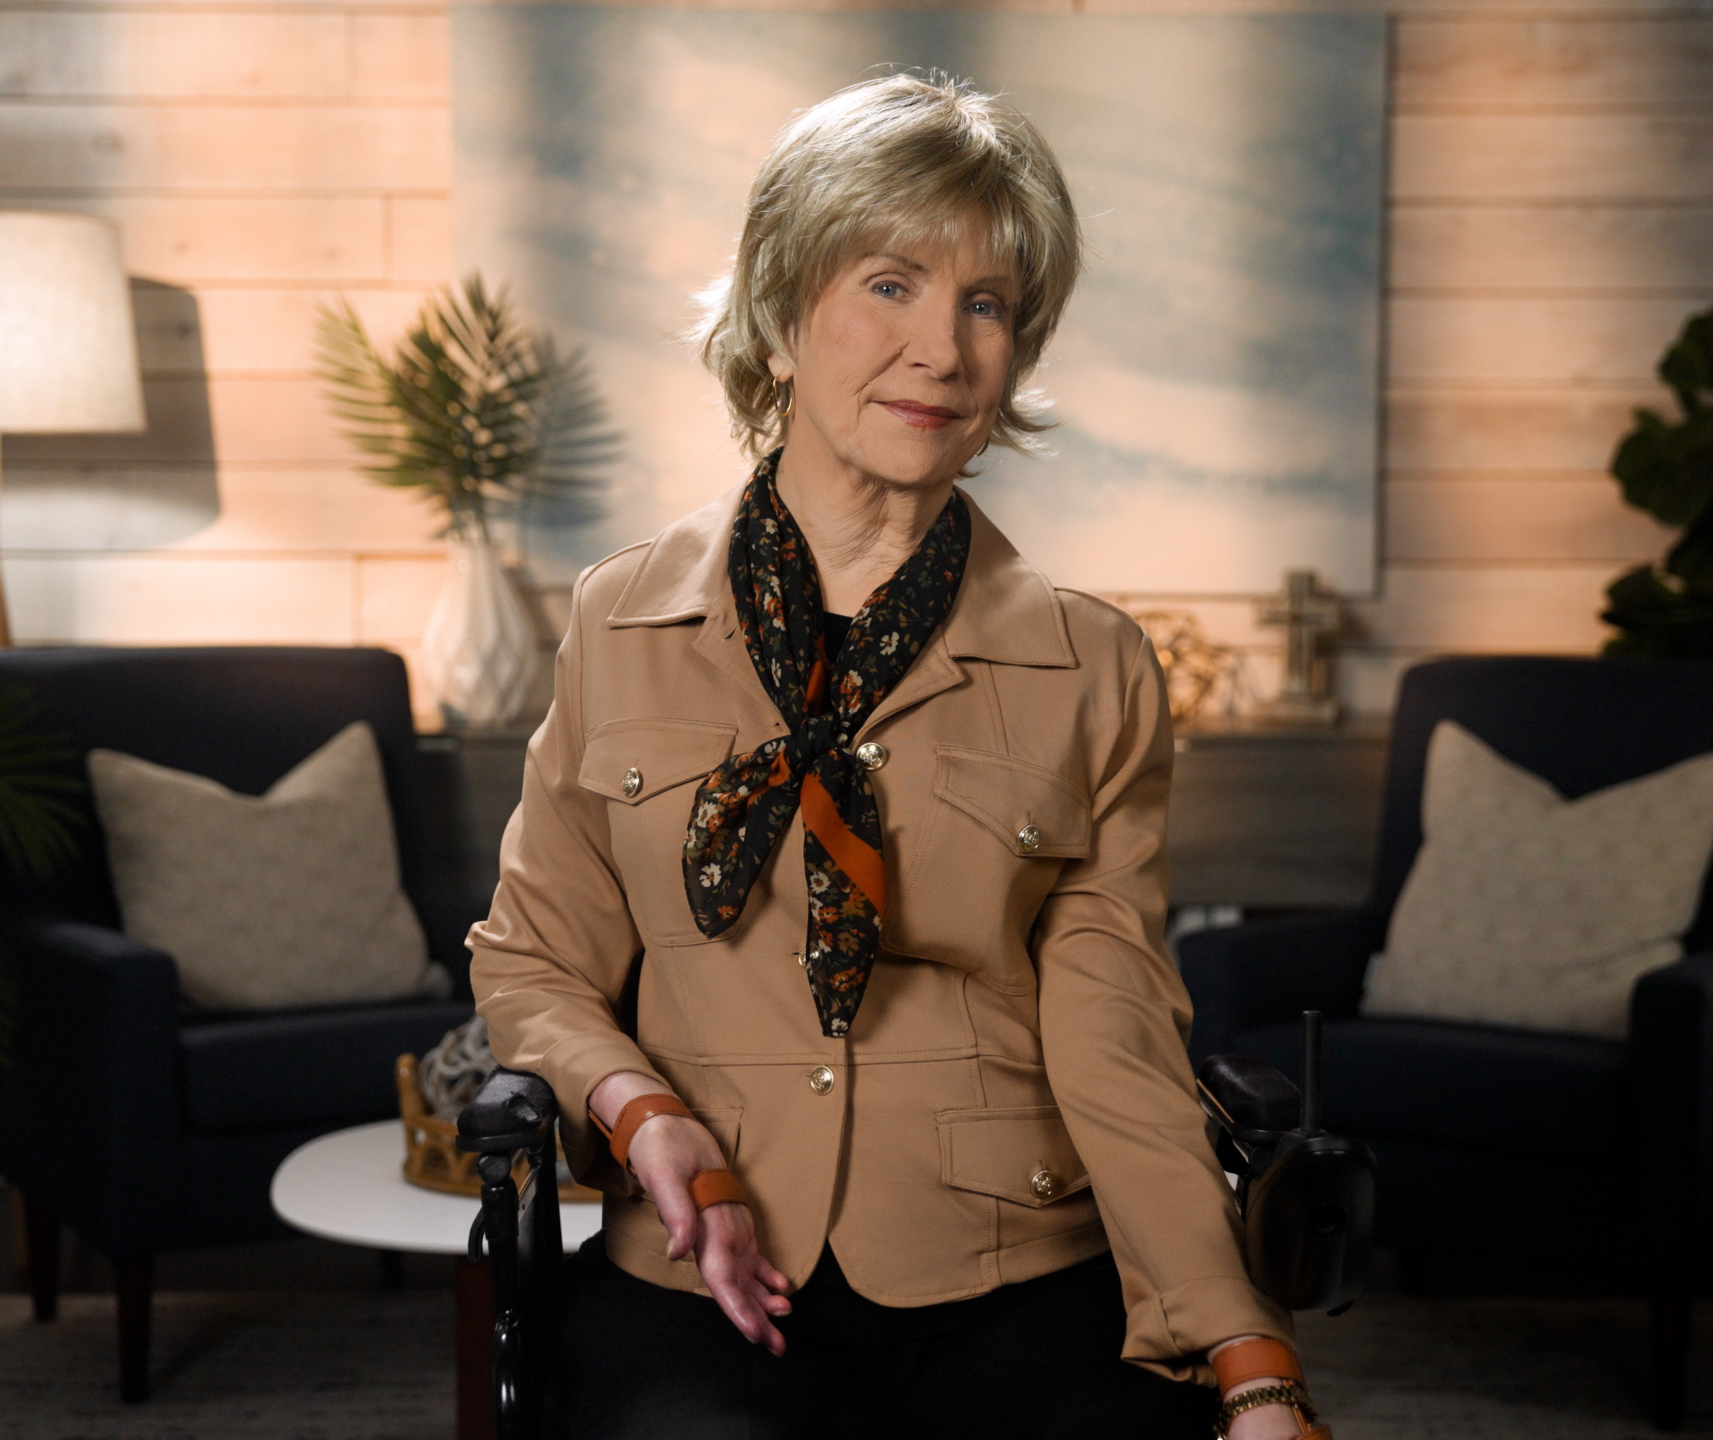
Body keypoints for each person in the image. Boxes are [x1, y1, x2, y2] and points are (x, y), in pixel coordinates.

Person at [468, 72, 1323, 1440]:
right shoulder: (619, 619)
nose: (943, 349)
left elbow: (1115, 1043)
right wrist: (640, 1116)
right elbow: (533, 959)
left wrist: (1249, 1363)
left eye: (988, 304)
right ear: (782, 308)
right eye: (891, 284)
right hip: (699, 1269)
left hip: (1021, 1274)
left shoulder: (1091, 666)